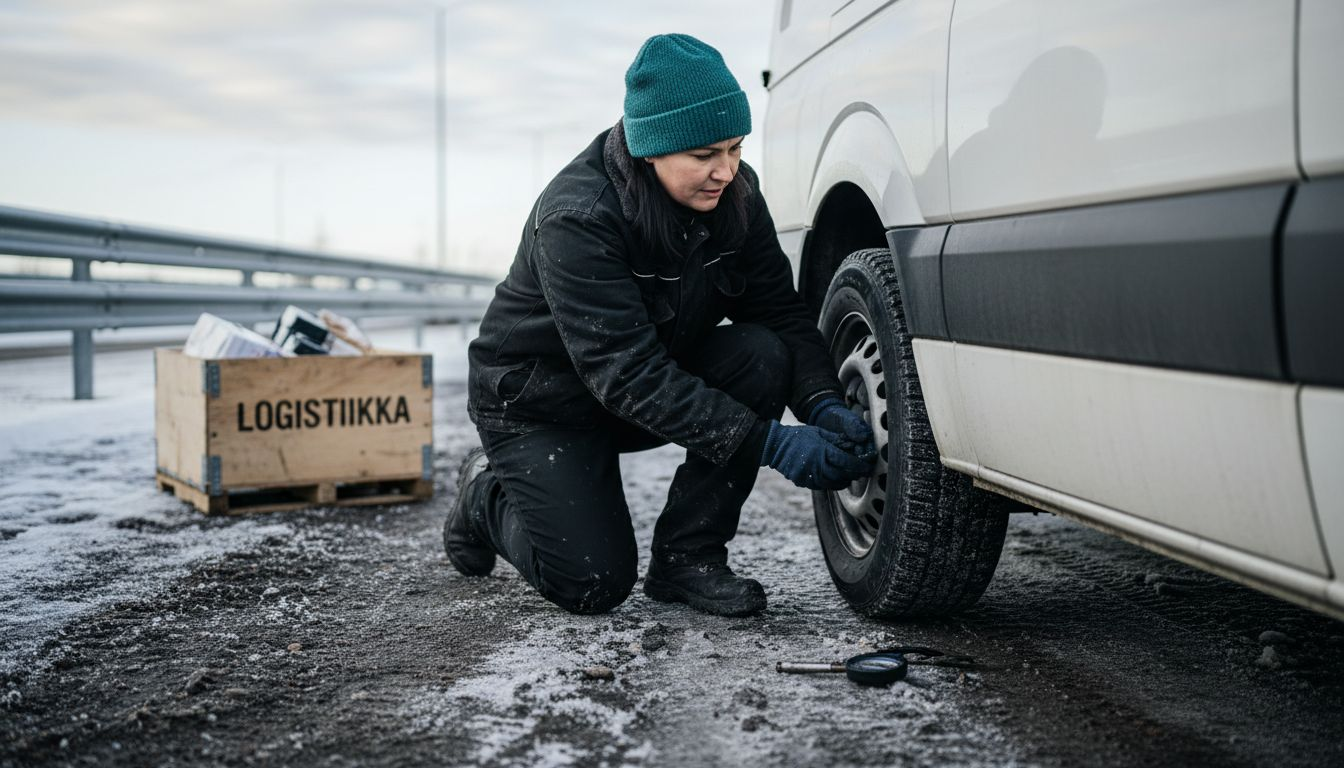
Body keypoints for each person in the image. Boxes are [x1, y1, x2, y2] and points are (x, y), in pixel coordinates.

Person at [444, 33, 875, 617]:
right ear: (652, 148)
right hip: (542, 403)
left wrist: (822, 401)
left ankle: (687, 559)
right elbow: (626, 373)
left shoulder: (736, 195)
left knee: (762, 353)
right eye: (704, 155)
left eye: (736, 148)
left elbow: (778, 311)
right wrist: (773, 445)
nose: (725, 170)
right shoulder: (578, 216)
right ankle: (483, 492)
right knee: (592, 581)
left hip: (641, 384)